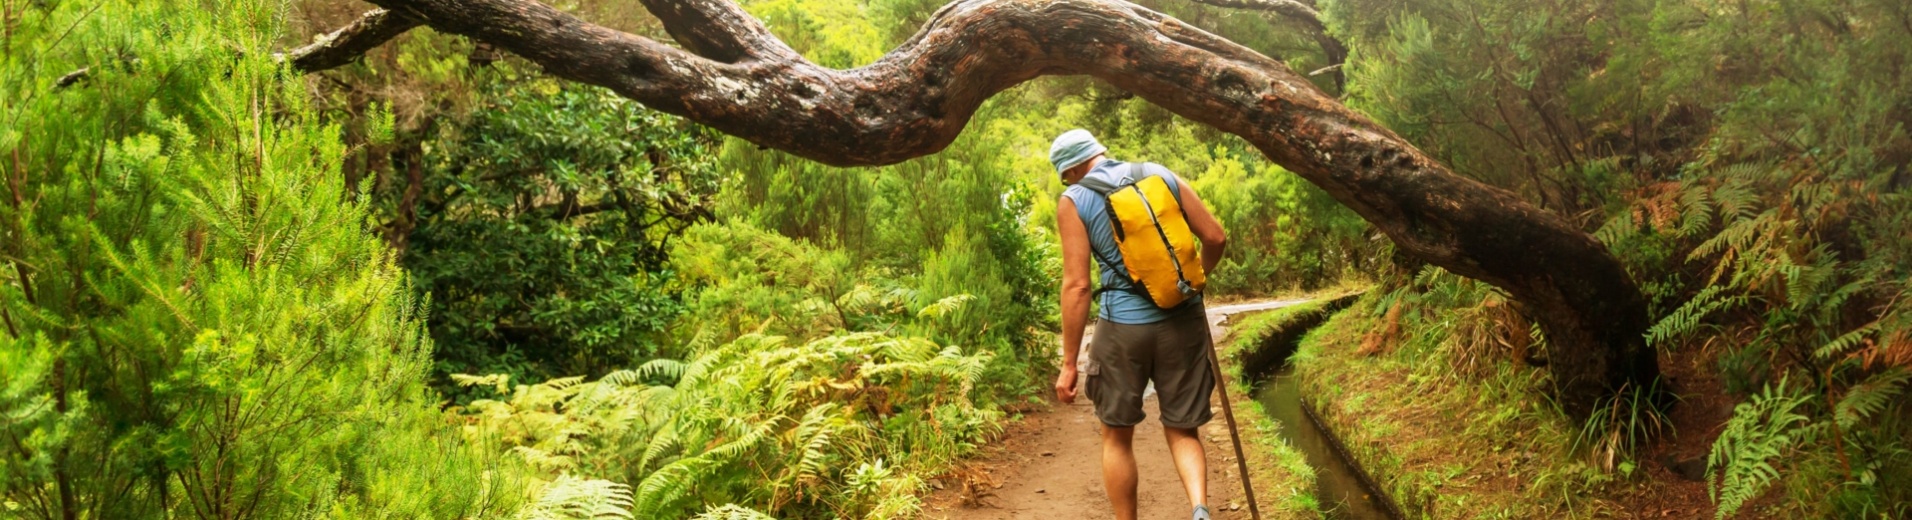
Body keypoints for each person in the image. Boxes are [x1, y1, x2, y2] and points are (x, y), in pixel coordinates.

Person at [1050, 129, 1228, 520]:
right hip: (1183, 321)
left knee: (1116, 435)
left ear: (1074, 167)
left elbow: (1078, 286)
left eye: (1066, 175)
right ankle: (1199, 509)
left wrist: (1068, 364)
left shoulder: (1074, 200)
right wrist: (1196, 281)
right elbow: (1215, 236)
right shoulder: (1158, 174)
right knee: (1183, 429)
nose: (1068, 182)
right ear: (1099, 151)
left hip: (1122, 330)